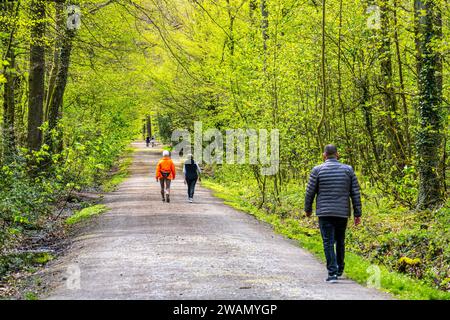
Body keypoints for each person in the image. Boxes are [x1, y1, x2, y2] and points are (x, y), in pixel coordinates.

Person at [304, 144, 362, 283]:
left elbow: (310, 191)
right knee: (340, 240)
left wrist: (308, 209)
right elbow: (355, 193)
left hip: (324, 212)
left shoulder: (317, 170)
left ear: (324, 155)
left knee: (328, 242)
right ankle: (340, 268)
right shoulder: (348, 170)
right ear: (337, 154)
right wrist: (357, 213)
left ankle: (332, 273)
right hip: (342, 212)